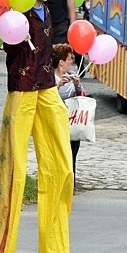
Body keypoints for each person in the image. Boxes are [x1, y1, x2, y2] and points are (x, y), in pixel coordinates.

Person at [0, 0, 73, 253]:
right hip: (23, 88)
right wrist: (15, 38)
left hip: (47, 85)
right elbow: (8, 46)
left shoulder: (47, 11)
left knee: (61, 168)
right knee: (15, 171)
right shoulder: (17, 13)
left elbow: (51, 45)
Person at [52, 43, 83, 176]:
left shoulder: (72, 75)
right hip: (57, 121)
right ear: (61, 62)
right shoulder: (50, 78)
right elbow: (47, 97)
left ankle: (71, 181)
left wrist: (77, 85)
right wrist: (58, 86)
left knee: (72, 154)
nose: (71, 61)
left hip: (72, 121)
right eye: (69, 59)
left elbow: (81, 97)